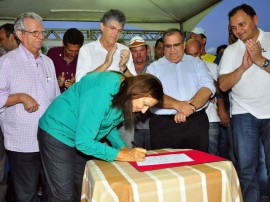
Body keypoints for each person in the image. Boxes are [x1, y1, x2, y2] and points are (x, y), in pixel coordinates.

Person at [38, 71, 164, 201]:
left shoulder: (125, 94)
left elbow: (108, 125)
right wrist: (120, 155)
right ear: (137, 91)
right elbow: (84, 142)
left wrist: (122, 147)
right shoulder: (104, 92)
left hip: (78, 136)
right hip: (57, 131)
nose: (144, 111)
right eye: (145, 104)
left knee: (81, 187)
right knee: (62, 195)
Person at [0, 12, 60, 201]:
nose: (41, 37)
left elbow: (56, 98)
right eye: (35, 33)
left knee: (52, 189)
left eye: (42, 32)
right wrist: (20, 97)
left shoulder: (48, 62)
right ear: (20, 34)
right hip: (22, 142)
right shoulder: (7, 61)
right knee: (26, 194)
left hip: (49, 139)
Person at [219, 4, 270, 202]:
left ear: (255, 20)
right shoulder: (231, 51)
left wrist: (260, 60)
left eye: (242, 24)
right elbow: (223, 85)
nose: (238, 30)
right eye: (234, 27)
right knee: (247, 170)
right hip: (243, 113)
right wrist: (242, 67)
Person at [147, 28, 215, 151]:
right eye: (168, 46)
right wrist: (178, 105)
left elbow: (208, 88)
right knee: (165, 167)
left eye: (176, 45)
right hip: (163, 127)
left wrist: (190, 108)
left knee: (198, 166)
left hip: (195, 123)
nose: (172, 50)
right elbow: (152, 93)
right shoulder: (153, 68)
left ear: (184, 45)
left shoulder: (197, 63)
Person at [76, 9, 136, 81]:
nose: (116, 33)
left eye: (119, 30)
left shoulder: (125, 50)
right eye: (112, 28)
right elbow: (80, 82)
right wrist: (105, 64)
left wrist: (123, 67)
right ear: (102, 26)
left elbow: (135, 84)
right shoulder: (86, 50)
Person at [185, 38, 220, 155]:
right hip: (188, 121)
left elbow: (221, 91)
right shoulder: (181, 70)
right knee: (193, 156)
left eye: (196, 54)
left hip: (211, 119)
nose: (194, 58)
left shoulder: (212, 67)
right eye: (190, 55)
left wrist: (208, 77)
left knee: (212, 157)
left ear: (201, 51)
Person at [0, 23, 19, 202]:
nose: (1, 43)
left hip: (18, 128)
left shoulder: (35, 61)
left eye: (2, 39)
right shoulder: (4, 61)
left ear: (12, 37)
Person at [129, 36, 152, 149]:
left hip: (151, 125)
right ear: (130, 53)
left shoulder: (155, 67)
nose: (138, 54)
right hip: (129, 127)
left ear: (147, 50)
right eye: (134, 51)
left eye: (141, 50)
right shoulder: (123, 68)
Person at [47, 28, 84, 93]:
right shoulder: (53, 54)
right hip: (53, 100)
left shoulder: (83, 58)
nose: (73, 54)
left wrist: (76, 85)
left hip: (73, 100)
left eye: (77, 51)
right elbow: (43, 79)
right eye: (70, 50)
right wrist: (56, 84)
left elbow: (86, 85)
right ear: (63, 44)